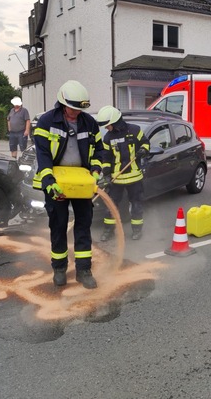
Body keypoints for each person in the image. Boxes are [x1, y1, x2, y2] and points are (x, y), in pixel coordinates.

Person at [32, 80, 104, 289]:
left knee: (83, 225)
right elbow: (43, 153)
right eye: (73, 109)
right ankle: (59, 268)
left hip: (81, 183)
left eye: (80, 109)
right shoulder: (47, 122)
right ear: (63, 104)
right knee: (58, 224)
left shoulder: (89, 122)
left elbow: (99, 149)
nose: (76, 113)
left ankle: (83, 270)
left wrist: (96, 170)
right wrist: (48, 181)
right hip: (57, 182)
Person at [96, 106, 150, 242]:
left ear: (115, 122)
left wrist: (143, 150)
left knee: (136, 205)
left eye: (108, 126)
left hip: (134, 177)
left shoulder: (135, 130)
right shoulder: (108, 138)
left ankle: (137, 231)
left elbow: (146, 143)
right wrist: (107, 174)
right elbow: (106, 158)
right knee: (111, 206)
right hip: (117, 178)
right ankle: (109, 231)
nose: (106, 128)